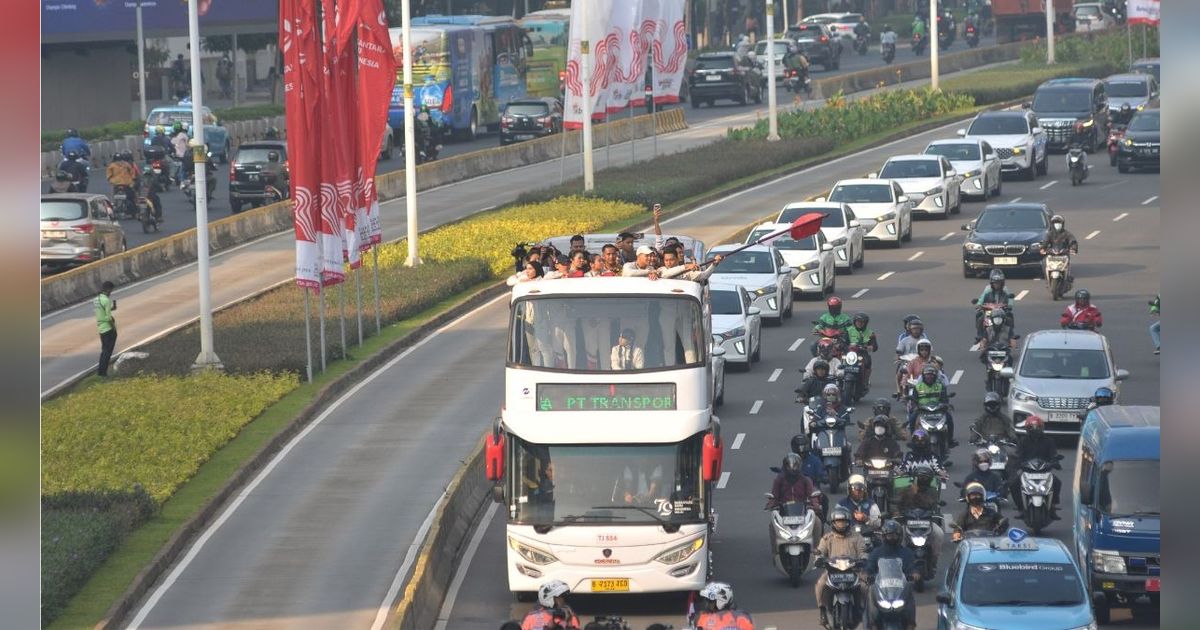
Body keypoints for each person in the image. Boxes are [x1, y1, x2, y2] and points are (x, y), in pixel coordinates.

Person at [814, 506, 868, 629]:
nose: (841, 524)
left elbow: (863, 551)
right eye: (838, 521)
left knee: (865, 587)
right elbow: (820, 551)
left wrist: (863, 558)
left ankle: (864, 611)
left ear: (848, 522)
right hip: (832, 571)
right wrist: (818, 559)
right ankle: (822, 611)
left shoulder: (857, 537)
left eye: (843, 521)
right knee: (820, 585)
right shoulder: (827, 538)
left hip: (854, 571)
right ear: (833, 523)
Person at [865, 520, 917, 630]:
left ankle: (910, 624)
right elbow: (869, 567)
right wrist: (866, 574)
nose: (892, 538)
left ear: (900, 536)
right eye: (889, 535)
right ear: (884, 536)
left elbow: (911, 567)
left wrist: (914, 574)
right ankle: (872, 624)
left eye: (894, 535)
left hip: (900, 587)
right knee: (870, 591)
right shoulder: (876, 552)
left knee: (910, 593)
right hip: (881, 587)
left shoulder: (906, 552)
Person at [890, 466, 944, 568]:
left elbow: (931, 504)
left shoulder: (932, 492)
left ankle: (934, 558)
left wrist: (916, 495)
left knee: (939, 534)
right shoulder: (908, 490)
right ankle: (898, 561)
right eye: (920, 477)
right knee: (898, 536)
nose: (922, 480)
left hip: (926, 522)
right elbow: (899, 503)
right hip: (909, 522)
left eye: (925, 478)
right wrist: (897, 512)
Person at [1008, 416, 1061, 516]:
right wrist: (1016, 462)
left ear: (1041, 428)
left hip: (1044, 470)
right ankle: (1020, 508)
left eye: (1037, 427)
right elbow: (1018, 454)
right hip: (1028, 471)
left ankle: (1052, 506)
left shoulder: (1048, 441)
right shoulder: (1023, 441)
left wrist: (1055, 462)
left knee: (1057, 482)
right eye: (1032, 427)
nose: (1035, 430)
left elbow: (1053, 454)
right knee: (1013, 484)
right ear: (1027, 429)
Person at [905, 364, 955, 447]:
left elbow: (944, 399)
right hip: (922, 410)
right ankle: (913, 439)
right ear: (924, 376)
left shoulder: (940, 386)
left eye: (931, 375)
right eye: (927, 375)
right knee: (912, 418)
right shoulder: (918, 387)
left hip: (938, 410)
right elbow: (914, 400)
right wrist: (915, 406)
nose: (929, 377)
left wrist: (946, 405)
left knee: (949, 418)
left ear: (935, 376)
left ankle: (950, 440)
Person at [768, 453, 825, 519]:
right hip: (783, 513)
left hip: (803, 513)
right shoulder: (779, 480)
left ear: (799, 466)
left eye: (794, 466)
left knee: (817, 522)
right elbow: (774, 496)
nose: (792, 469)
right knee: (772, 525)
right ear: (785, 466)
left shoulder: (806, 480)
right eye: (789, 466)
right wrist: (771, 504)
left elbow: (811, 496)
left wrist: (815, 505)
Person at [975, 268, 1015, 345]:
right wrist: (979, 305)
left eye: (999, 283)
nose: (997, 285)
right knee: (980, 317)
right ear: (992, 283)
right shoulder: (988, 290)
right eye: (995, 283)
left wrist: (1009, 305)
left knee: (1010, 316)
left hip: (1002, 311)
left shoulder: (1005, 290)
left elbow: (1010, 299)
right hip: (989, 312)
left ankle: (1011, 336)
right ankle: (980, 336)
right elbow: (981, 299)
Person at [94, 281, 118, 377]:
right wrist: (113, 329)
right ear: (108, 289)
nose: (111, 292)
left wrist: (112, 308)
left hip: (101, 328)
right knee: (107, 352)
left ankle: (100, 372)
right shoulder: (107, 300)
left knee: (104, 351)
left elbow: (101, 310)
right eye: (111, 290)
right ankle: (103, 373)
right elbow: (108, 318)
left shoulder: (96, 299)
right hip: (108, 329)